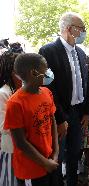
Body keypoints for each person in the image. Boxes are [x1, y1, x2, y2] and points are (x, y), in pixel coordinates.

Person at [39, 12, 89, 186]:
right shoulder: (48, 51)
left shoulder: (81, 53)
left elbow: (87, 82)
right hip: (59, 113)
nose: (84, 32)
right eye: (82, 29)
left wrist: (87, 111)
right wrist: (60, 118)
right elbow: (48, 88)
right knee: (57, 155)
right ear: (70, 29)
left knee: (74, 154)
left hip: (78, 113)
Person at [4, 53, 59, 186]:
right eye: (45, 69)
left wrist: (55, 153)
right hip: (31, 170)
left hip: (51, 162)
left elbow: (53, 123)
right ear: (34, 73)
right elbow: (20, 142)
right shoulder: (15, 103)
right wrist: (45, 162)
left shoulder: (47, 93)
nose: (48, 72)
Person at [0, 51, 21, 186]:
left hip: (23, 151)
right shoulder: (3, 93)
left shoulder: (19, 90)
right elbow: (4, 126)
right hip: (11, 150)